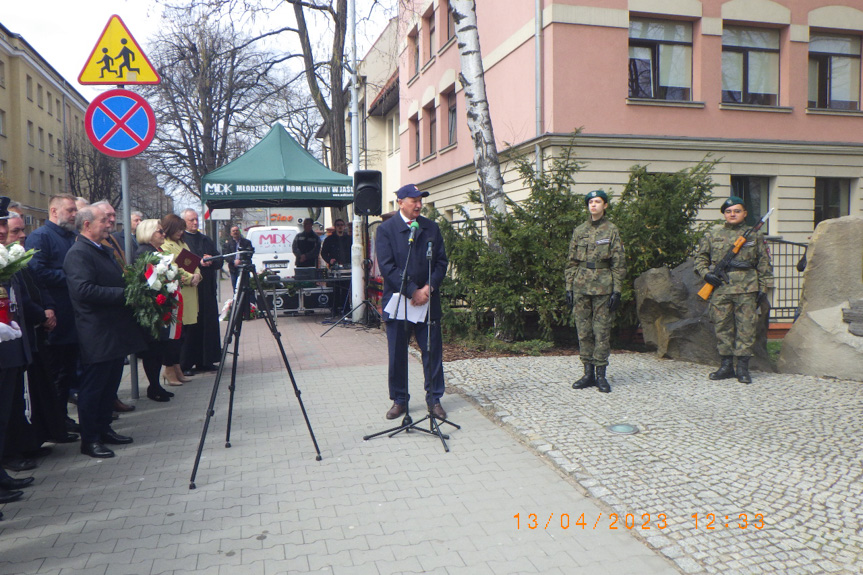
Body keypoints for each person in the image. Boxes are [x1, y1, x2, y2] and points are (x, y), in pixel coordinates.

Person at [64, 205, 147, 459]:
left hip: (113, 329)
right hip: (97, 331)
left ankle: (103, 429)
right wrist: (127, 295)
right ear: (86, 225)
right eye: (104, 220)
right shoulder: (78, 253)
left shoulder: (101, 249)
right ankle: (90, 440)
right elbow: (84, 291)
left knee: (109, 385)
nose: (109, 223)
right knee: (94, 388)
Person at [376, 184, 448, 420]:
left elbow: (440, 262)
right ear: (400, 202)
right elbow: (388, 267)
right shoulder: (386, 229)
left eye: (420, 200)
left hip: (427, 302)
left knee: (432, 351)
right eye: (413, 200)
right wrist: (411, 291)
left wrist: (428, 288)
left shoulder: (431, 228)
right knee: (397, 354)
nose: (418, 205)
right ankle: (399, 400)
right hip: (399, 303)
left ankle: (434, 399)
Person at [694, 196, 774, 384]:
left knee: (746, 328)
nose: (732, 214)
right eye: (729, 211)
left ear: (744, 213)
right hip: (721, 287)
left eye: (737, 211)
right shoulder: (713, 233)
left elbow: (764, 263)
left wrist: (763, 287)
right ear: (724, 214)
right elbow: (700, 258)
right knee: (723, 327)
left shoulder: (754, 236)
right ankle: (726, 366)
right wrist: (706, 275)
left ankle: (743, 368)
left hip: (747, 287)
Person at [25, 194, 80, 433]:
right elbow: (37, 273)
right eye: (70, 210)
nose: (74, 214)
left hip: (72, 314)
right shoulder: (41, 237)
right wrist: (72, 278)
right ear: (54, 211)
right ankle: (56, 421)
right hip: (56, 315)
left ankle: (62, 418)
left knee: (68, 370)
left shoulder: (70, 236)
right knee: (57, 371)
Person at [565, 190, 626, 394]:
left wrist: (617, 290)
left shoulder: (611, 230)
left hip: (603, 286)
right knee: (583, 331)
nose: (593, 205)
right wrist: (569, 287)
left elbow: (618, 262)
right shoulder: (579, 230)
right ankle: (587, 373)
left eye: (597, 201)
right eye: (590, 202)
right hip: (581, 285)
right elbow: (571, 261)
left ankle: (601, 375)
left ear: (605, 205)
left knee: (601, 331)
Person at [0, 198, 39, 512]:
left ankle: (1, 476)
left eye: (4, 226)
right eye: (0, 226)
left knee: (5, 415)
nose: (3, 232)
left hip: (10, 346)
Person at [134, 219, 180, 401]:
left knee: (159, 347)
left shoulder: (157, 251)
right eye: (159, 232)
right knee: (153, 350)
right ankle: (153, 386)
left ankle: (156, 385)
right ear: (149, 233)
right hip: (151, 308)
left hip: (161, 306)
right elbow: (146, 281)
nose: (163, 234)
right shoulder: (144, 253)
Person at [161, 214, 203, 382]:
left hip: (191, 292)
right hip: (179, 292)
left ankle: (178, 367)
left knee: (184, 334)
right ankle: (171, 369)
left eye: (181, 229)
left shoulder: (183, 243)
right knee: (176, 334)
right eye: (177, 229)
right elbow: (173, 268)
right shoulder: (166, 246)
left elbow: (194, 263)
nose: (180, 232)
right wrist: (188, 277)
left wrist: (198, 275)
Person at [180, 209, 222, 375]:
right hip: (192, 288)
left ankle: (206, 360)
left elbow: (219, 259)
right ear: (184, 222)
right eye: (191, 220)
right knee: (192, 328)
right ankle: (187, 363)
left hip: (208, 289)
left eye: (196, 219)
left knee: (208, 325)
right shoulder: (181, 240)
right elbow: (180, 261)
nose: (195, 223)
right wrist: (199, 261)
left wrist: (212, 260)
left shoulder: (206, 239)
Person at [222, 225, 254, 290]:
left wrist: (241, 261)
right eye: (233, 231)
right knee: (236, 288)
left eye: (237, 230)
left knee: (246, 287)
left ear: (239, 232)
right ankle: (236, 300)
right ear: (231, 233)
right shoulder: (228, 244)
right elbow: (226, 256)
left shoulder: (246, 242)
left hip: (245, 269)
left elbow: (250, 253)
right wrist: (234, 261)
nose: (235, 232)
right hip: (234, 269)